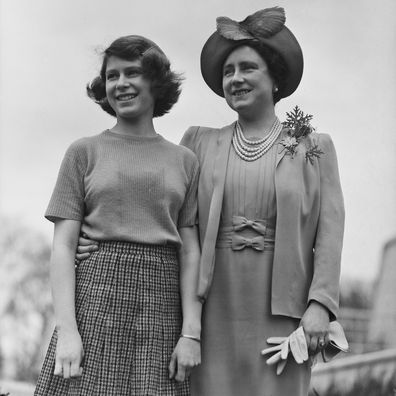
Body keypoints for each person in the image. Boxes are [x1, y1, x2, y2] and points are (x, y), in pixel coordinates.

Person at [77, 7, 345, 396]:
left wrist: (321, 304)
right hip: (209, 305)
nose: (235, 78)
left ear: (275, 79)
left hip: (283, 309)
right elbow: (162, 209)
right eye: (228, 72)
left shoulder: (312, 146)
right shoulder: (199, 143)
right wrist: (96, 240)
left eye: (247, 68)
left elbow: (331, 230)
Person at [35, 35, 201, 396]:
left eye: (133, 73)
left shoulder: (185, 161)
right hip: (96, 298)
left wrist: (191, 332)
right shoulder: (83, 152)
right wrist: (67, 331)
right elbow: (63, 247)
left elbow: (190, 251)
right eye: (112, 76)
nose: (121, 84)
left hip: (161, 305)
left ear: (156, 81)